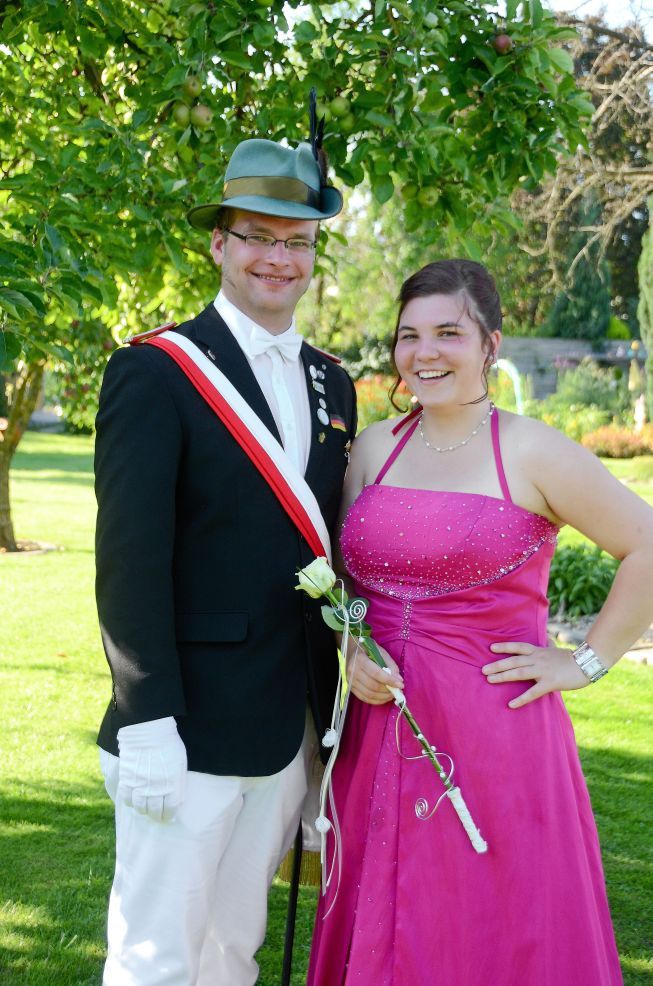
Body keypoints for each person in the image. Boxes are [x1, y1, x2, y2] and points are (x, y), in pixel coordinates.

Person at [307, 259, 653, 986]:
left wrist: (585, 662)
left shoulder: (532, 450)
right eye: (408, 335)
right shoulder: (373, 448)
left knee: (488, 917)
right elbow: (344, 585)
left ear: (490, 344)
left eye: (448, 333)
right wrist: (352, 650)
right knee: (383, 912)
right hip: (378, 730)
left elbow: (645, 544)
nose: (424, 352)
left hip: (496, 733)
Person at [94, 132, 356, 986]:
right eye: (256, 236)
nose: (277, 258)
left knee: (232, 951)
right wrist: (147, 721)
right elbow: (129, 562)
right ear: (218, 243)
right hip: (185, 725)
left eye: (297, 241)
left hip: (288, 725)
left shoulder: (332, 382)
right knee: (155, 957)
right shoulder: (155, 371)